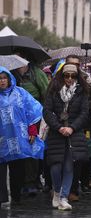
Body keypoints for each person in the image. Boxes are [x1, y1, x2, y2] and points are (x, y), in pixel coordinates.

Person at [43, 63, 89, 211]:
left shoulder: (82, 91)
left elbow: (84, 113)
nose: (69, 78)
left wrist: (72, 127)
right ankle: (56, 191)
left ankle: (64, 196)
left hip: (74, 133)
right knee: (55, 166)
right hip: (57, 132)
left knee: (70, 166)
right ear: (62, 76)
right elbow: (47, 111)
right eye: (66, 75)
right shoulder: (53, 89)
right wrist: (59, 127)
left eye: (73, 76)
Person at [0, 66, 44, 206]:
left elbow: (32, 110)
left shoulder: (20, 93)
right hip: (2, 138)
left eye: (4, 78)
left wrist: (32, 129)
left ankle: (16, 196)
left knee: (17, 168)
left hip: (19, 137)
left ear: (9, 78)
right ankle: (2, 198)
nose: (2, 81)